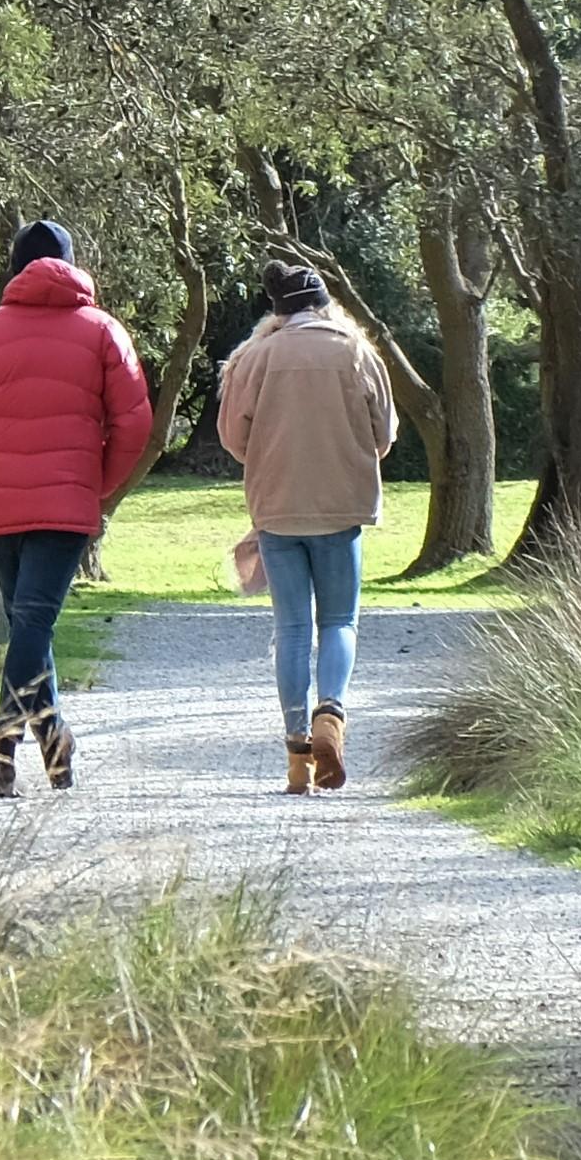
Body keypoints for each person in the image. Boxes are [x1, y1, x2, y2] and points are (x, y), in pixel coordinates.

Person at [0, 217, 157, 796]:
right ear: (73, 263)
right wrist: (97, 484)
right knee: (33, 624)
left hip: (3, 502)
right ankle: (46, 734)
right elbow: (135, 421)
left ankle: (14, 743)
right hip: (66, 503)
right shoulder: (104, 331)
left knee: (28, 623)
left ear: (14, 268)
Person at [213, 255, 399, 791]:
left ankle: (298, 755)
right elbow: (383, 434)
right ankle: (331, 716)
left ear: (280, 311)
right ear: (324, 305)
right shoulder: (356, 351)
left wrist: (269, 455)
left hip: (276, 506)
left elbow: (233, 436)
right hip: (341, 504)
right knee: (339, 621)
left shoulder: (255, 356)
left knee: (291, 628)